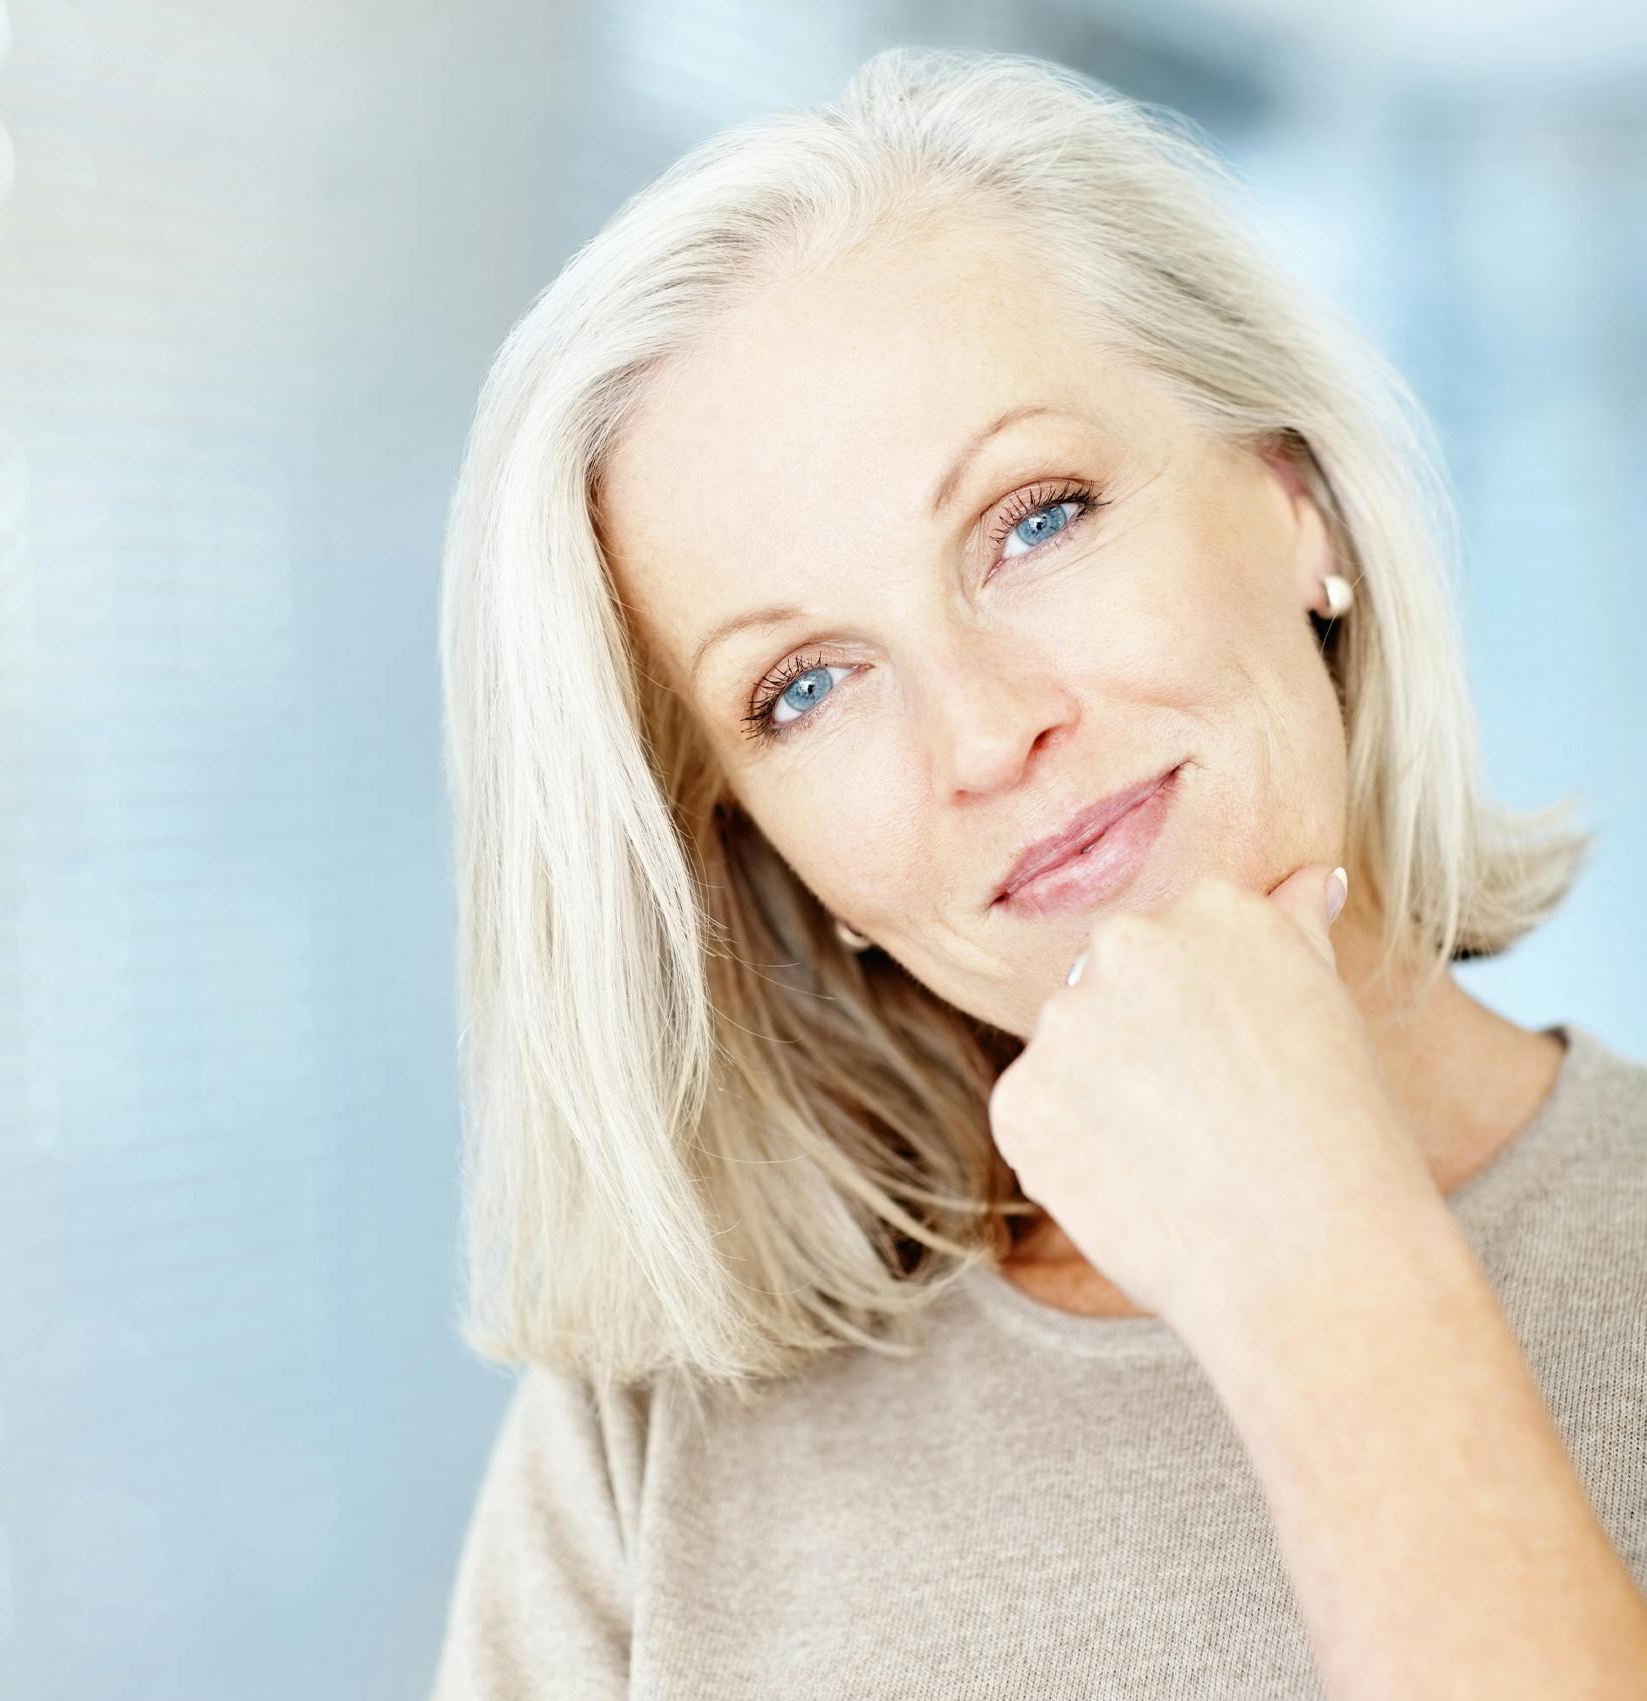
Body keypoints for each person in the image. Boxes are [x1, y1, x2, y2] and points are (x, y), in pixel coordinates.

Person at [429, 45, 1647, 1700]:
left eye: (1037, 518)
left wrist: (1320, 1257)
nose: (986, 733)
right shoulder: (654, 1434)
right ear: (769, 853)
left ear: (1295, 505)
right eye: (804, 687)